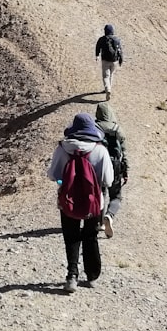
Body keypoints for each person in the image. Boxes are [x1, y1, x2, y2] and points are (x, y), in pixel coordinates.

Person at [47, 113, 114, 293]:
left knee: (71, 237)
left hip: (67, 202)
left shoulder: (62, 148)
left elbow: (52, 175)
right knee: (90, 236)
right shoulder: (99, 150)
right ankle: (92, 276)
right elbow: (108, 180)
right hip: (94, 203)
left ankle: (71, 277)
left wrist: (64, 182)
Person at [95, 101, 129, 239]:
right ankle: (110, 215)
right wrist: (125, 171)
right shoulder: (117, 129)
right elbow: (124, 153)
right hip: (114, 164)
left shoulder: (95, 127)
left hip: (98, 163)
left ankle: (99, 222)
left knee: (100, 193)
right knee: (116, 195)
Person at [94, 24, 123, 98]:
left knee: (105, 76)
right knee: (111, 75)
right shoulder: (117, 39)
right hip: (114, 61)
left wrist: (97, 55)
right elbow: (120, 50)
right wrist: (120, 60)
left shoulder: (102, 39)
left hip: (105, 60)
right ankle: (108, 88)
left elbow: (98, 47)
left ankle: (107, 89)